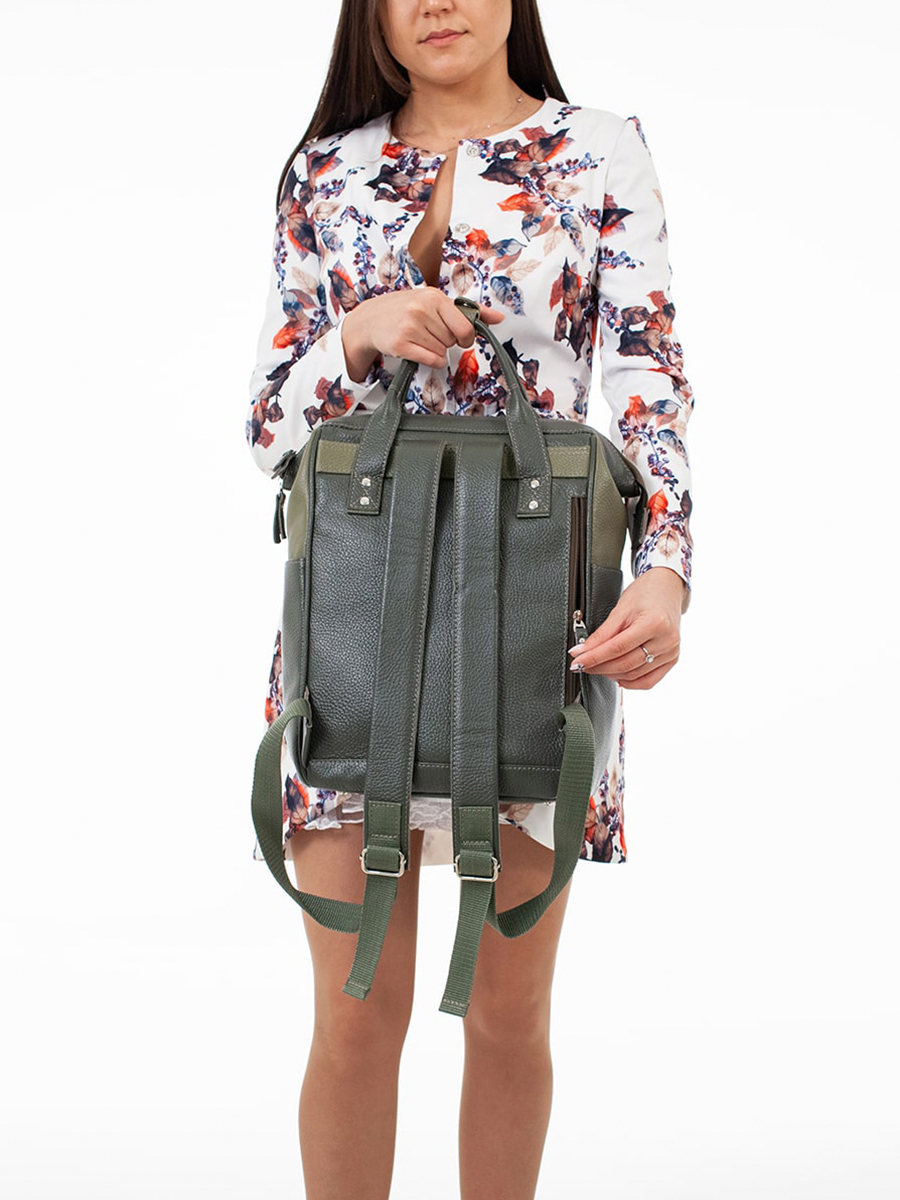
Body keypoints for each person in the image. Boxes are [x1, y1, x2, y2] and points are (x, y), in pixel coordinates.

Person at [245, 2, 695, 1196]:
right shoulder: (323, 173)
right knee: (355, 1018)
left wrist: (666, 567)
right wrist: (356, 332)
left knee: (508, 1015)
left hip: (537, 622)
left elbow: (645, 374)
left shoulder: (598, 151)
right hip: (353, 633)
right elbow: (268, 428)